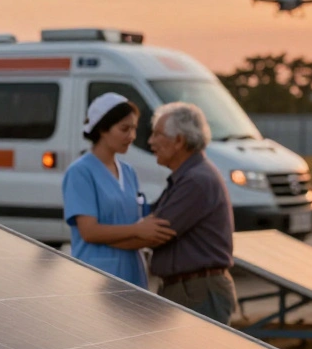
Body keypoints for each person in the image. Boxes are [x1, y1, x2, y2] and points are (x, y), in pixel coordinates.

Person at [63, 92, 173, 288]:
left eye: (134, 129)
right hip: (95, 276)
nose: (131, 136)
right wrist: (137, 229)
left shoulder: (128, 172)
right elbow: (89, 231)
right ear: (103, 129)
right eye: (124, 129)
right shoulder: (80, 172)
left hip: (132, 274)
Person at [145, 102, 238, 324]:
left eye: (157, 134)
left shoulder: (196, 181)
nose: (150, 141)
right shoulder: (188, 176)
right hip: (191, 290)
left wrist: (97, 234)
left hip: (196, 293)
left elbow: (153, 232)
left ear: (179, 141)